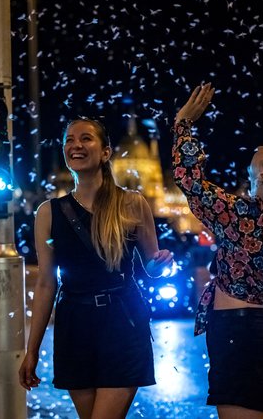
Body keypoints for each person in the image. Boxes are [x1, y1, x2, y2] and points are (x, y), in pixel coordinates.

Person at [171, 83, 263, 419]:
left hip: (242, 337)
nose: (260, 145)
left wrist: (184, 123)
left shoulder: (247, 215)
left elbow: (190, 181)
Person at [18, 118, 174, 419]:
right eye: (69, 140)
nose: (76, 145)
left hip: (123, 323)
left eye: (86, 139)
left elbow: (151, 268)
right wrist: (32, 351)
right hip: (75, 327)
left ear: (105, 152)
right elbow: (46, 284)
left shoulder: (132, 204)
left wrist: (160, 262)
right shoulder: (48, 213)